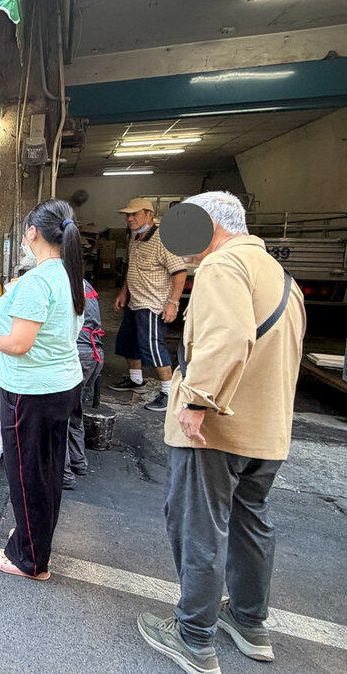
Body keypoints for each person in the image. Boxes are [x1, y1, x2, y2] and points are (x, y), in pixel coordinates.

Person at [136, 192, 305, 674]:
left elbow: (226, 337)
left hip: (216, 429)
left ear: (207, 223)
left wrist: (196, 401)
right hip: (267, 429)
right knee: (251, 521)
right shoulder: (278, 274)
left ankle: (193, 636)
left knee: (199, 525)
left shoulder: (222, 266)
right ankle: (250, 623)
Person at [0, 199, 85, 581]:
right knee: (48, 469)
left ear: (32, 233)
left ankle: (30, 559)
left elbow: (21, 343)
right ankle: (36, 538)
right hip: (62, 384)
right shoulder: (67, 274)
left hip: (32, 389)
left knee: (26, 473)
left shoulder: (38, 281)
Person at [111, 198, 187, 412]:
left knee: (153, 348)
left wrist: (172, 303)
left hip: (152, 304)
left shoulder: (163, 240)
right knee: (128, 343)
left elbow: (179, 272)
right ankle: (137, 381)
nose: (130, 218)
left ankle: (168, 392)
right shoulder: (135, 238)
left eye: (134, 214)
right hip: (135, 301)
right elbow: (131, 268)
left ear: (149, 215)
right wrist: (123, 292)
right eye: (128, 215)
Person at [62, 278, 105, 490]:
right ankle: (78, 461)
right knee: (74, 410)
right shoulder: (85, 282)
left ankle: (64, 474)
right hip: (94, 355)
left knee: (59, 417)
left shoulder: (63, 282)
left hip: (79, 355)